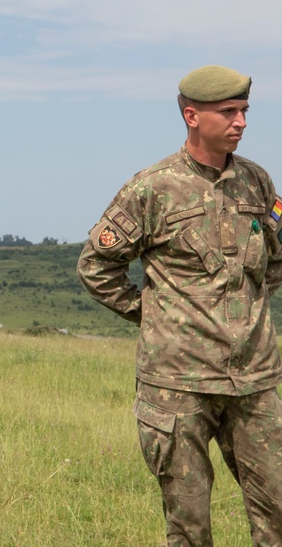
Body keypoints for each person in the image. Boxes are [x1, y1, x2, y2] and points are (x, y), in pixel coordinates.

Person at [77, 65, 282, 546]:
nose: (241, 122)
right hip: (176, 384)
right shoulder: (153, 187)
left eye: (244, 111)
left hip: (253, 380)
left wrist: (247, 309)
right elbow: (96, 266)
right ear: (192, 115)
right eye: (228, 112)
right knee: (189, 528)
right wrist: (152, 315)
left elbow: (278, 258)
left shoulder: (258, 183)